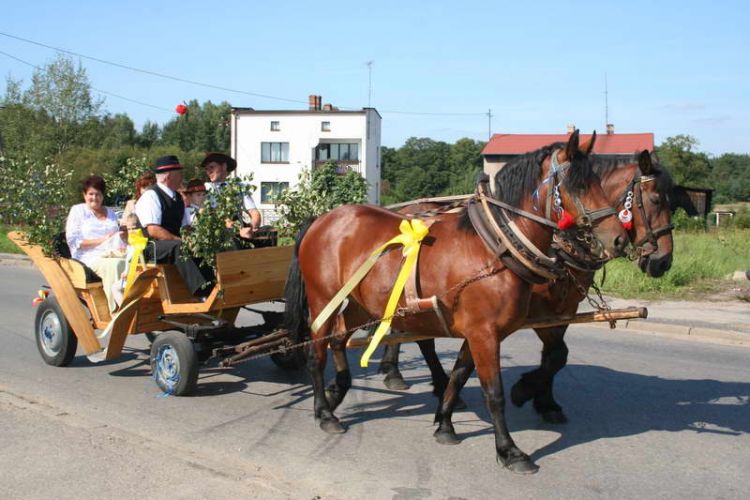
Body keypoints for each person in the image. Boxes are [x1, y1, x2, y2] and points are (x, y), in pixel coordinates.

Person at [135, 155, 213, 297]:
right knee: (180, 247)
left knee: (198, 245)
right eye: (179, 173)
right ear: (168, 176)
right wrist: (180, 240)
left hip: (171, 245)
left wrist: (194, 237)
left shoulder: (177, 198)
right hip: (151, 247)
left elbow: (183, 225)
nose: (182, 177)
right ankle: (200, 291)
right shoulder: (151, 196)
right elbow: (153, 230)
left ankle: (213, 286)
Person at [65, 175, 127, 311]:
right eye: (91, 194)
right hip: (89, 257)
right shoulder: (78, 210)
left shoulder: (110, 212)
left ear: (102, 195)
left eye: (97, 194)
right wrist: (104, 239)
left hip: (113, 252)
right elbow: (74, 241)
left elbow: (118, 236)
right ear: (84, 195)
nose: (94, 198)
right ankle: (116, 308)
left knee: (135, 263)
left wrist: (123, 235)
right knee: (115, 265)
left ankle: (134, 301)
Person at [202, 152, 261, 239]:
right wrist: (238, 229)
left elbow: (254, 212)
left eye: (212, 167)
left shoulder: (239, 186)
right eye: (207, 169)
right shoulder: (206, 189)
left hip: (240, 228)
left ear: (224, 167)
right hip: (220, 231)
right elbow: (215, 215)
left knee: (268, 232)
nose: (209, 171)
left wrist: (251, 227)